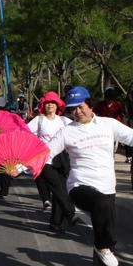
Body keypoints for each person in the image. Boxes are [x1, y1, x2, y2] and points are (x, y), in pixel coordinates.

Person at [45, 93, 133, 266]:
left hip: (107, 186)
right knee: (102, 211)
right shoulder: (66, 132)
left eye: (81, 107)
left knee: (104, 231)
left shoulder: (108, 124)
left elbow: (132, 137)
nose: (78, 112)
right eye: (73, 109)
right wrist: (20, 165)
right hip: (80, 186)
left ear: (90, 105)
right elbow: (45, 152)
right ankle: (104, 248)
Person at [28, 91, 79, 232]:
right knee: (57, 186)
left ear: (58, 106)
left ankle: (56, 222)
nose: (50, 105)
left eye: (53, 103)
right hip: (44, 158)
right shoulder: (39, 120)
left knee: (61, 189)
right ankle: (70, 213)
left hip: (61, 159)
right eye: (47, 103)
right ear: (43, 105)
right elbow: (24, 132)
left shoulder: (64, 121)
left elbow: (79, 128)